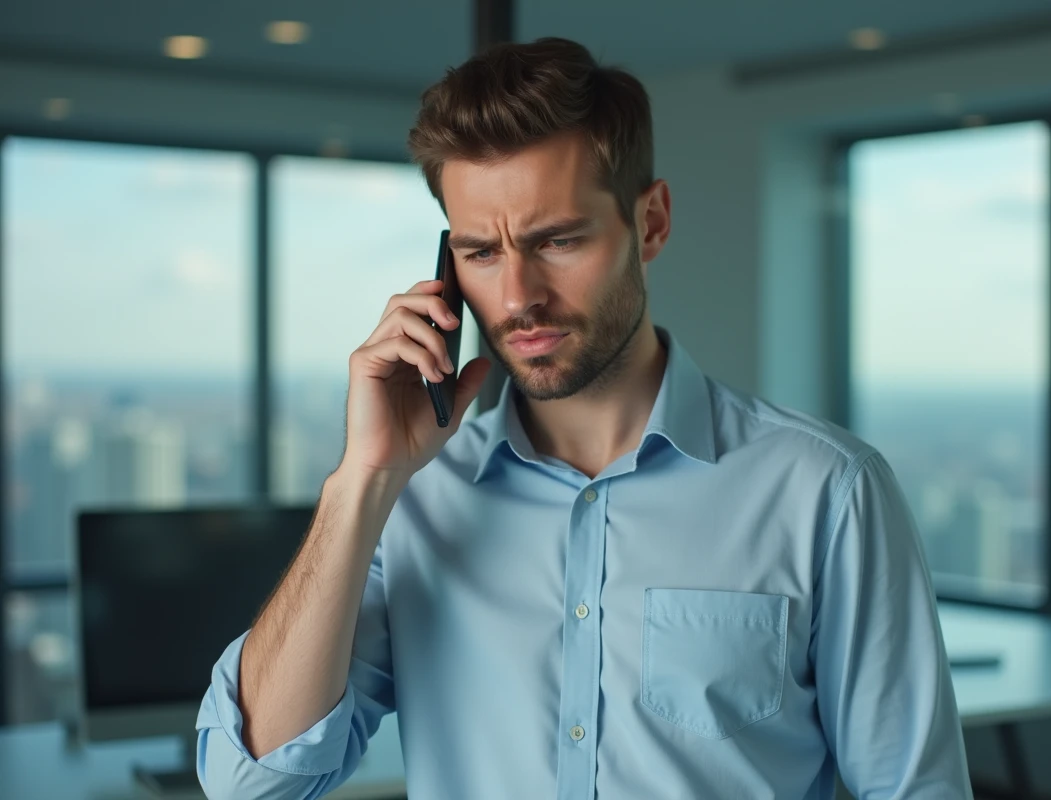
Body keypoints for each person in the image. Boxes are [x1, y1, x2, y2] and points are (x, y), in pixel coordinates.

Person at [195, 36, 972, 800]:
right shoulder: (413, 503)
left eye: (558, 240)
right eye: (481, 253)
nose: (518, 297)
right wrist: (361, 480)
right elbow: (248, 782)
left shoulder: (825, 491)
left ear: (651, 222)